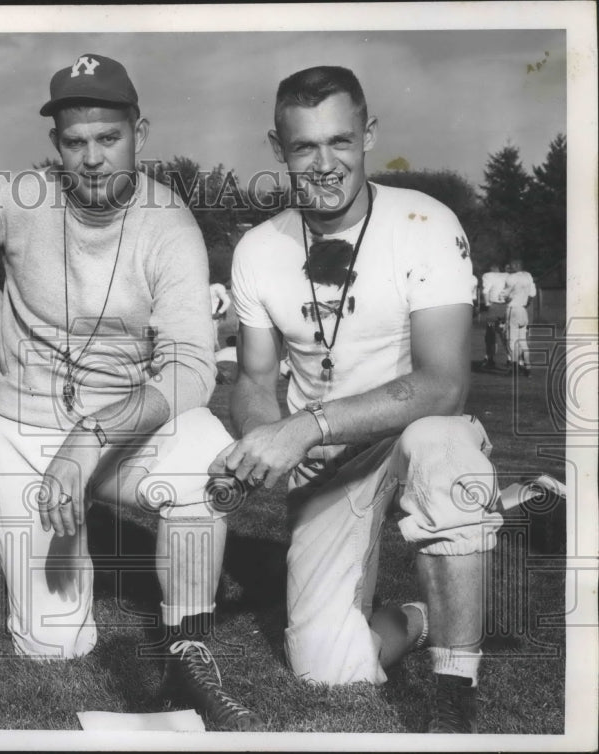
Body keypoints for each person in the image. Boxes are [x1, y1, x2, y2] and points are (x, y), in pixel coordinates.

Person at [0, 54, 264, 731]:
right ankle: (66, 580)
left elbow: (192, 367)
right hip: (22, 422)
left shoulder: (169, 225)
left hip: (117, 427)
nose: (94, 158)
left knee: (207, 458)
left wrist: (93, 437)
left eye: (109, 138)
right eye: (76, 142)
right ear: (56, 146)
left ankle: (185, 646)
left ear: (141, 133)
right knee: (53, 647)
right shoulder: (17, 200)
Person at [215, 66, 503, 733]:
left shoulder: (423, 220)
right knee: (326, 667)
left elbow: (443, 382)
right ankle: (428, 614)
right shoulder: (259, 249)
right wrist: (271, 441)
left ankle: (454, 690)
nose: (324, 164)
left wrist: (308, 426)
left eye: (341, 141)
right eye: (304, 147)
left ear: (369, 133)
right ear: (277, 148)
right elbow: (256, 381)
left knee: (444, 443)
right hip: (329, 462)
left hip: (411, 434)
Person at [500, 259, 536, 376]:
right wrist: (525, 303)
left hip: (513, 309)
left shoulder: (511, 278)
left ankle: (514, 366)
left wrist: (506, 298)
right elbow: (532, 294)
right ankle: (528, 367)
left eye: (511, 266)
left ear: (516, 266)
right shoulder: (528, 276)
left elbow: (505, 296)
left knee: (511, 340)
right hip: (523, 310)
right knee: (523, 341)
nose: (509, 268)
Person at [480, 263, 509, 368]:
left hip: (495, 308)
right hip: (506, 307)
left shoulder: (488, 275)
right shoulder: (507, 275)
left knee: (491, 332)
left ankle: (489, 357)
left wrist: (487, 304)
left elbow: (485, 290)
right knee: (505, 333)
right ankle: (510, 358)